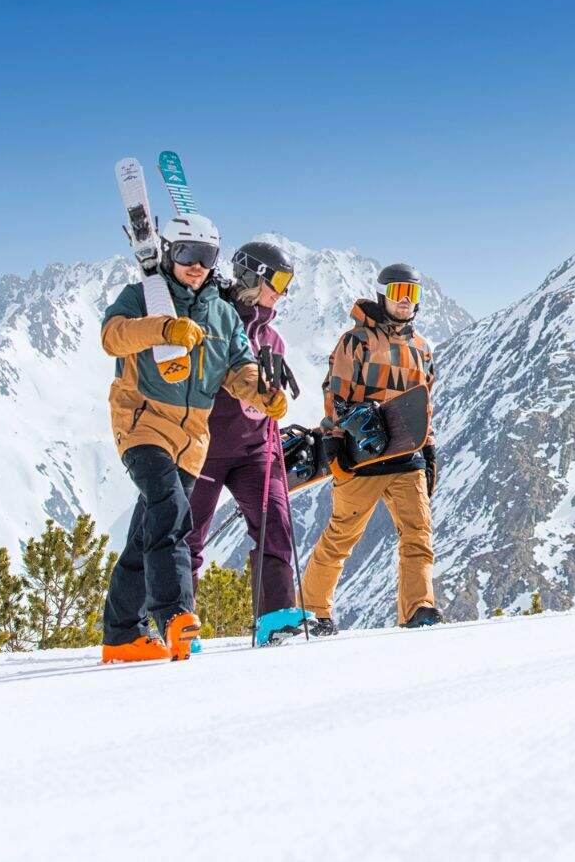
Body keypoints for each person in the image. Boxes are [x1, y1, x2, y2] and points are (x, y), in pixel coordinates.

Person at [98, 215, 289, 663]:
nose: (196, 265)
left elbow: (238, 367)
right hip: (142, 423)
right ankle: (175, 616)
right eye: (187, 254)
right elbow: (113, 336)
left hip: (190, 438)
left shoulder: (221, 314)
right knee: (170, 511)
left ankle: (121, 634)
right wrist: (164, 329)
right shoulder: (143, 296)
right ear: (168, 253)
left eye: (206, 257)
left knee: (147, 533)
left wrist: (262, 393)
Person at [299, 263, 441, 631]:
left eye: (413, 294)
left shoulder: (421, 348)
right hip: (362, 456)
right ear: (383, 296)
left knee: (418, 535)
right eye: (398, 292)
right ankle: (313, 611)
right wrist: (336, 443)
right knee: (341, 536)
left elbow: (423, 404)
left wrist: (428, 450)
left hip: (406, 455)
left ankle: (418, 609)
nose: (406, 301)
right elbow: (336, 396)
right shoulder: (356, 341)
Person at [184, 240, 306, 646]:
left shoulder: (273, 338)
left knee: (276, 521)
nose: (283, 292)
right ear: (254, 276)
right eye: (279, 281)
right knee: (189, 534)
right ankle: (177, 620)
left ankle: (274, 616)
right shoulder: (214, 320)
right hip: (206, 445)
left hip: (256, 448)